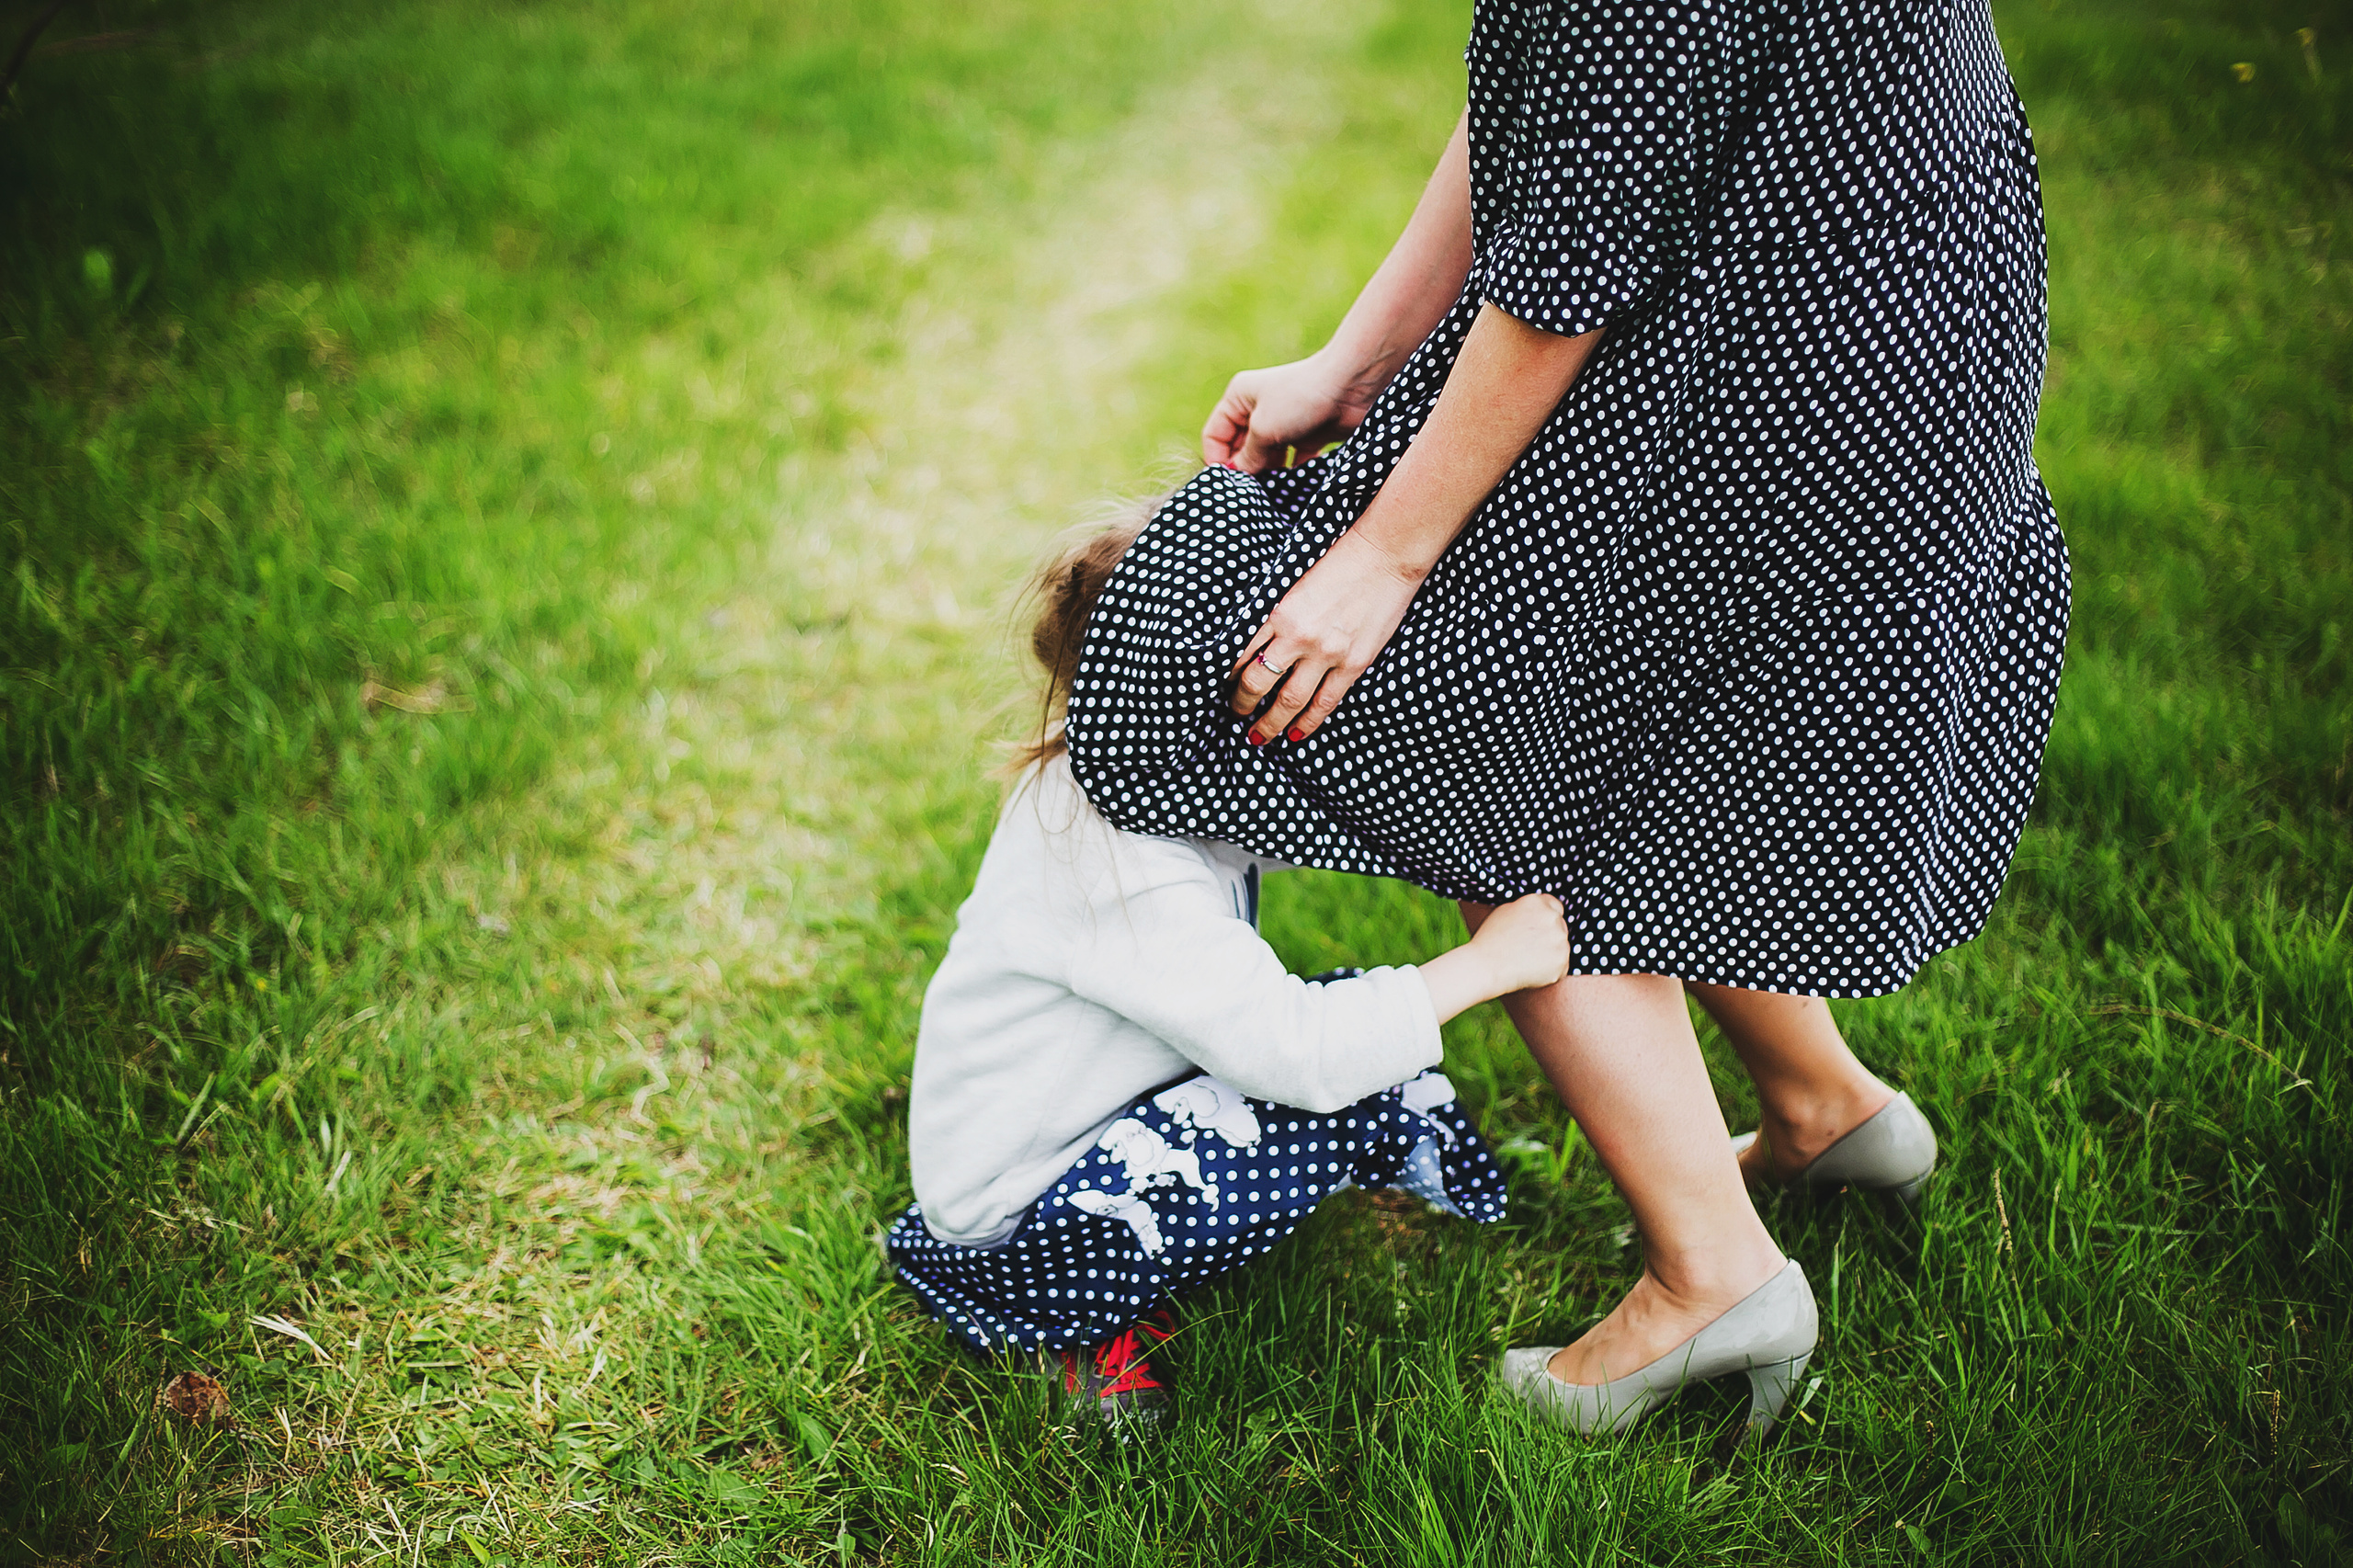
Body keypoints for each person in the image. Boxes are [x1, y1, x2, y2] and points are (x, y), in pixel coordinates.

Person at [1065, 0, 2066, 1436]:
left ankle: (1712, 1276)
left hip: (1790, 332)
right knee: (1653, 730)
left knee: (1478, 742)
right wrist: (1358, 360)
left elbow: (1581, 237)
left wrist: (1387, 552)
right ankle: (1821, 1105)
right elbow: (1563, 106)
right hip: (1900, 278)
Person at [886, 516, 1573, 1437]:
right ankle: (1077, 1321)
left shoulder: (1126, 770)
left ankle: (1103, 1273)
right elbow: (1300, 1054)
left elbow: (1293, 828)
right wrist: (1489, 961)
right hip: (1019, 1223)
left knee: (1355, 1035)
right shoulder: (1120, 862)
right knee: (1342, 1075)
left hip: (1042, 1147)